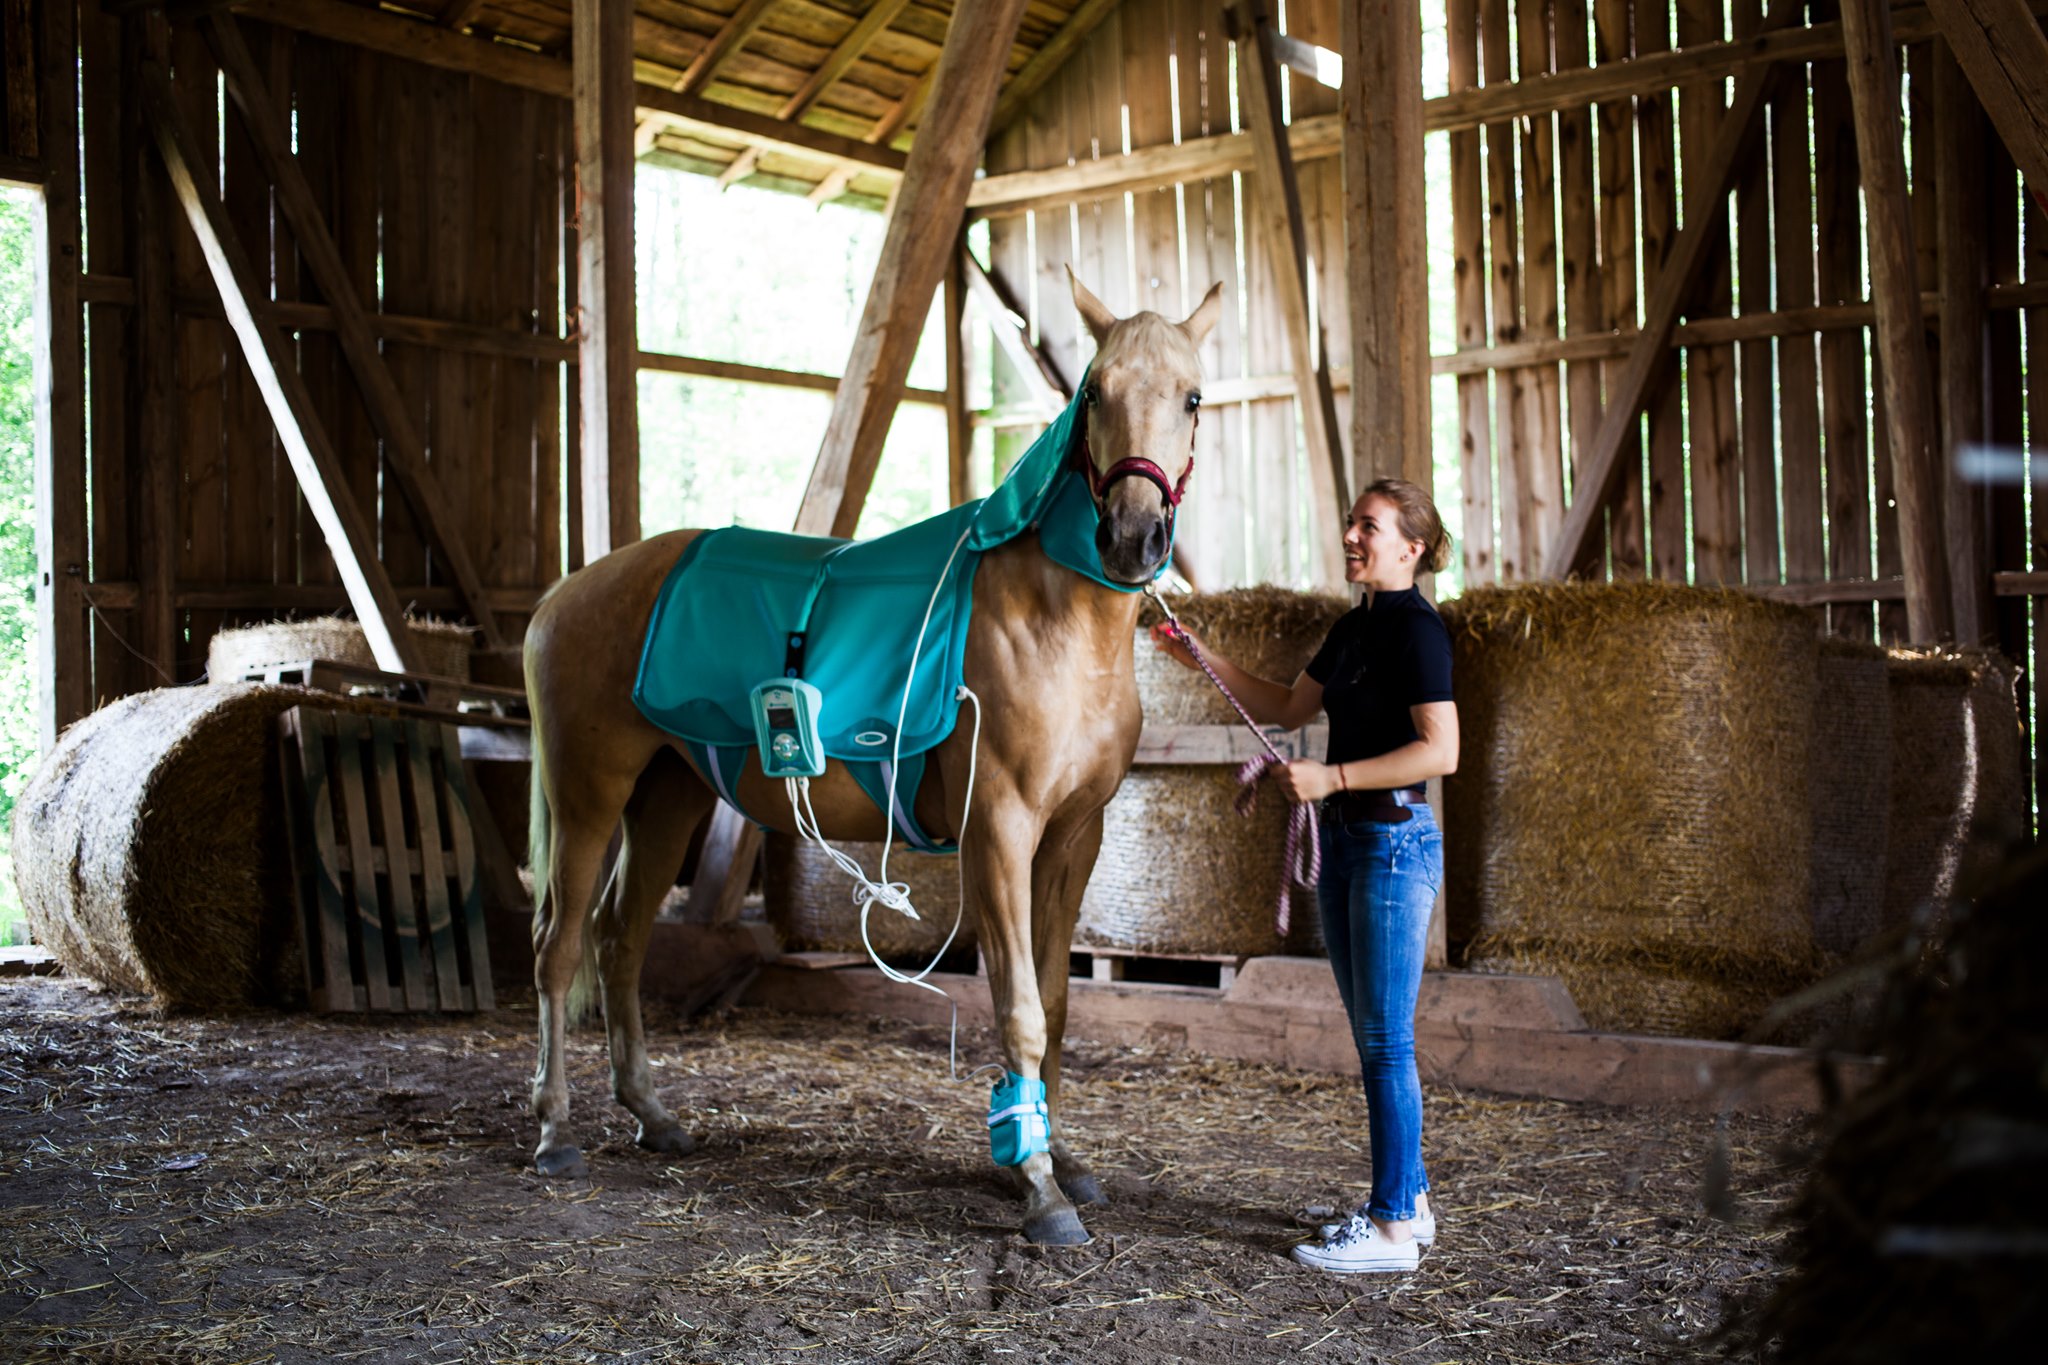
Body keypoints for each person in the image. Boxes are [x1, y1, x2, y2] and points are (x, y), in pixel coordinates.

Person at [1151, 478, 1459, 1274]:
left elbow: (1441, 751)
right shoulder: (1353, 628)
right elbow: (1288, 707)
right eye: (1351, 519)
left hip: (1393, 839)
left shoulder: (1418, 631)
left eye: (1371, 524)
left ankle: (1392, 1231)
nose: (1352, 533)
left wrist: (1335, 777)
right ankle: (1411, 1199)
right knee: (1374, 1039)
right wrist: (1201, 658)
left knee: (1387, 1042)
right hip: (1353, 841)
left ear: (1411, 546)